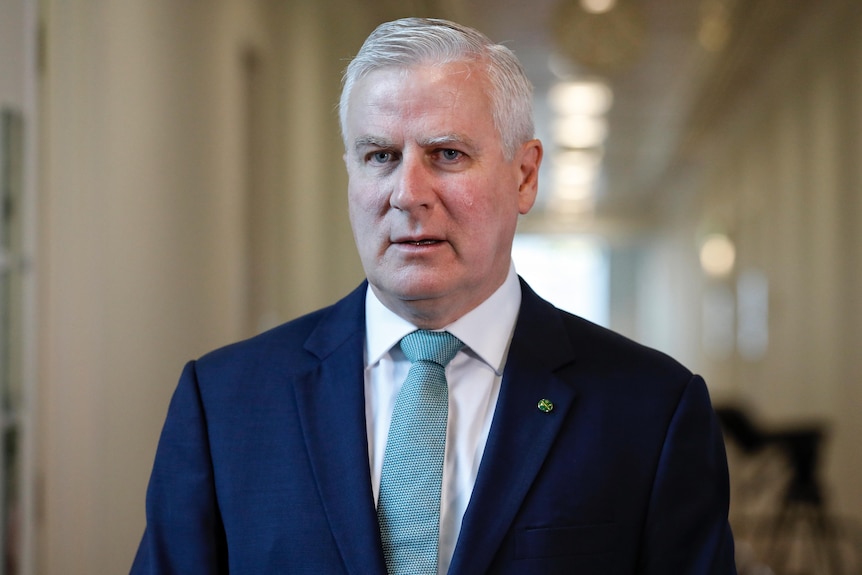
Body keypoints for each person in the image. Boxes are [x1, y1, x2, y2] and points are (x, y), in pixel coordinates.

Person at [131, 17, 736, 575]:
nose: (408, 193)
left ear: (523, 175)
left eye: (447, 154)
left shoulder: (652, 410)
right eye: (380, 157)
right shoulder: (224, 403)